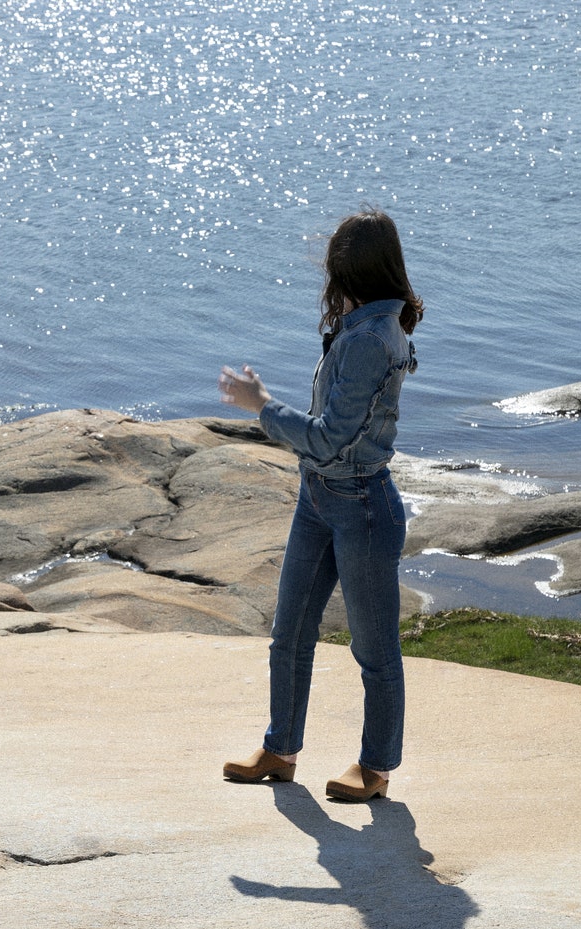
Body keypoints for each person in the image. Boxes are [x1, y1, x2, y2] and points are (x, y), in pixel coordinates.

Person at [217, 208, 424, 802]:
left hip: (360, 504)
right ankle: (280, 751)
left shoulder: (370, 339)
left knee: (374, 649)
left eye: (332, 268)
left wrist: (262, 406)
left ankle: (376, 767)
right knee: (290, 634)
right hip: (320, 498)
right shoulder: (366, 324)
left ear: (349, 270)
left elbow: (332, 435)